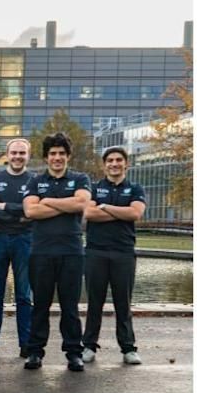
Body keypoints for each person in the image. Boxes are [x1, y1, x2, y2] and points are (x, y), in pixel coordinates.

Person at [22, 132, 92, 372]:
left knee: (70, 306)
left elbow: (82, 203)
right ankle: (35, 352)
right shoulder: (35, 181)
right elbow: (31, 211)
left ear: (68, 156)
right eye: (53, 153)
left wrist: (47, 201)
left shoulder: (80, 178)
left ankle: (74, 353)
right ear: (46, 157)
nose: (57, 157)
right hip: (41, 252)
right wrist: (66, 204)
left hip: (71, 251)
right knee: (40, 305)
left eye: (62, 153)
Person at [82, 146, 146, 365]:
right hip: (96, 252)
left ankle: (128, 348)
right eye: (110, 160)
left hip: (123, 252)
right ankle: (89, 346)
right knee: (94, 302)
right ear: (104, 165)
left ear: (126, 164)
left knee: (123, 303)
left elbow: (135, 213)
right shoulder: (94, 188)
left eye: (119, 160)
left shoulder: (135, 188)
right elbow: (89, 213)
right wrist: (121, 212)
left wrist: (105, 207)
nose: (114, 163)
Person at [0, 138, 34, 358]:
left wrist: (8, 207)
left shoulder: (34, 181)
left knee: (24, 295)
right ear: (7, 154)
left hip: (25, 240)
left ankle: (26, 343)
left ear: (28, 155)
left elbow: (34, 211)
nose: (17, 157)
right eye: (14, 152)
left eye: (22, 153)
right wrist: (19, 214)